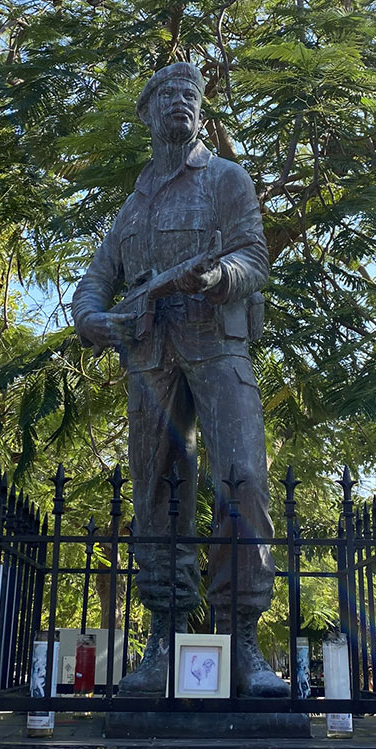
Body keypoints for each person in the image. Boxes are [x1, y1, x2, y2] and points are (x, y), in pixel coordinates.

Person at [72, 62, 287, 696]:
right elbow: (94, 283)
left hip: (218, 347)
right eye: (167, 92)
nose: (180, 101)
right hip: (148, 358)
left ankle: (239, 639)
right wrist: (92, 320)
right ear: (145, 112)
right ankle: (163, 636)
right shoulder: (131, 207)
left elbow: (254, 256)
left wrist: (217, 278)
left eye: (190, 94)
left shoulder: (227, 180)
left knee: (243, 480)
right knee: (157, 494)